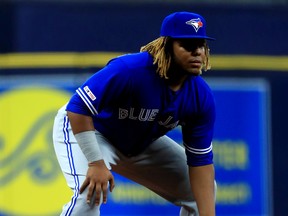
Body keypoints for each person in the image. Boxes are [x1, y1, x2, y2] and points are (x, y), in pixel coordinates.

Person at [53, 11, 216, 216]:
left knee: (201, 193)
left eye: (201, 45)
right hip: (90, 131)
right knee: (89, 194)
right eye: (188, 46)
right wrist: (95, 162)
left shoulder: (200, 96)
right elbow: (77, 107)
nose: (197, 52)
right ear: (167, 46)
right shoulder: (131, 70)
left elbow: (200, 162)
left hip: (138, 143)